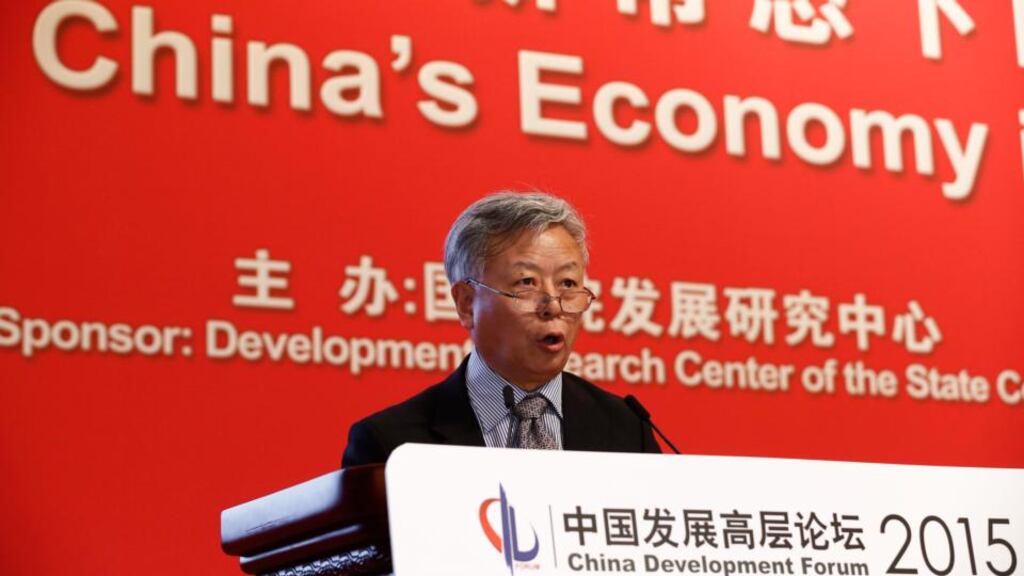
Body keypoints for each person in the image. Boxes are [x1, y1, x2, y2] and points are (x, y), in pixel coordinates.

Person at [342, 191, 660, 467]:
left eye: (567, 283)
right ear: (467, 304)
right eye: (526, 283)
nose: (553, 306)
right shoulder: (395, 447)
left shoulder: (628, 430)